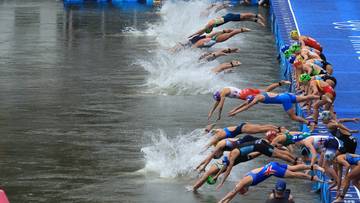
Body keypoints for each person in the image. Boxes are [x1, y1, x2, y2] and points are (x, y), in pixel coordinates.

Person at [217, 161, 325, 203]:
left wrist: (221, 200)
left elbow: (232, 193)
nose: (244, 193)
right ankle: (312, 166)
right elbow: (232, 195)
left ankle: (312, 178)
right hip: (271, 165)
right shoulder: (246, 178)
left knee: (294, 175)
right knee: (293, 168)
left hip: (273, 170)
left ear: (242, 188)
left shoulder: (244, 182)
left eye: (242, 192)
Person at [209, 80, 290, 121]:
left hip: (244, 95)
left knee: (256, 101)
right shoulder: (223, 90)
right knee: (265, 90)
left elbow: (220, 106)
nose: (220, 99)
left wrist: (219, 115)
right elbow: (217, 103)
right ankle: (280, 83)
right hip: (247, 90)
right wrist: (211, 112)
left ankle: (283, 96)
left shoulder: (223, 93)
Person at [228, 91, 321, 126]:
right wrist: (234, 110)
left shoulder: (258, 98)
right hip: (285, 94)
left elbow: (247, 107)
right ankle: (320, 97)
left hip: (285, 100)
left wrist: (236, 113)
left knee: (293, 117)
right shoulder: (258, 94)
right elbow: (245, 103)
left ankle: (309, 123)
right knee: (305, 98)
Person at [189, 13, 264, 38]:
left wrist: (192, 35)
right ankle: (256, 20)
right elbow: (200, 33)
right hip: (228, 18)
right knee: (243, 19)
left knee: (243, 16)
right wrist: (192, 36)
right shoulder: (211, 26)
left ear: (209, 28)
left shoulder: (210, 24)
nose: (211, 30)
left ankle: (257, 15)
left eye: (210, 30)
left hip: (228, 17)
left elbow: (199, 32)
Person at [204, 122, 278, 148]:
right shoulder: (219, 131)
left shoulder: (217, 136)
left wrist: (200, 152)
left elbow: (208, 145)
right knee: (261, 127)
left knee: (261, 129)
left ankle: (278, 130)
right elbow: (210, 128)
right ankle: (278, 129)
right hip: (243, 127)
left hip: (243, 128)